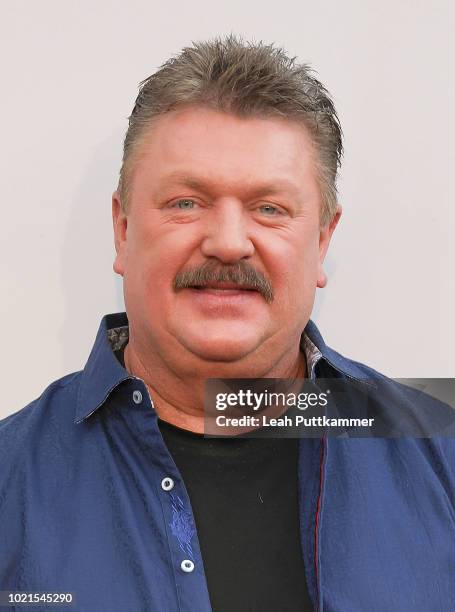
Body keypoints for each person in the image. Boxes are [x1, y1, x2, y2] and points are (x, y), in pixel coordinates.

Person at [1, 35, 454, 612]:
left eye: (270, 208)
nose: (228, 243)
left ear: (321, 241)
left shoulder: (441, 450)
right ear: (121, 229)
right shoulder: (10, 482)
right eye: (187, 202)